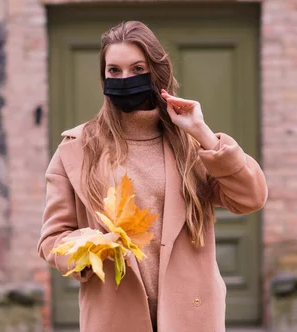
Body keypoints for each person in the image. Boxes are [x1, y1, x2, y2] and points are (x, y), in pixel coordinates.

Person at [37, 21, 268, 332]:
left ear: (155, 73)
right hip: (113, 315)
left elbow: (250, 197)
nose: (125, 79)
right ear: (103, 76)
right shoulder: (77, 149)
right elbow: (52, 239)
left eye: (137, 69)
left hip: (191, 313)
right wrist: (89, 247)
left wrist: (203, 133)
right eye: (114, 71)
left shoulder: (190, 145)